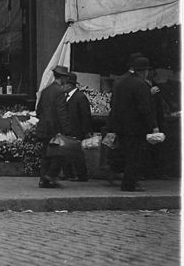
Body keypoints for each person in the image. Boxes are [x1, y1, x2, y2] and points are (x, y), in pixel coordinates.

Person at [105, 56, 161, 192]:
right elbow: (145, 108)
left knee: (126, 154)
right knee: (135, 157)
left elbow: (115, 104)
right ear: (144, 71)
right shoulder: (141, 84)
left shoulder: (120, 82)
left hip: (121, 126)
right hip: (136, 127)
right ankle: (129, 184)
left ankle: (128, 182)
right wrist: (153, 126)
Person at [34, 65, 74, 188]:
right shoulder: (60, 92)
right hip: (55, 128)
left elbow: (38, 110)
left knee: (46, 154)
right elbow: (62, 113)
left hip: (44, 127)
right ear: (62, 78)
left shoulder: (46, 90)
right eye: (65, 78)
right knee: (58, 154)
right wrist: (67, 129)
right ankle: (50, 177)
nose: (66, 80)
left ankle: (43, 179)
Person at [61, 72, 92, 182]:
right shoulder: (66, 97)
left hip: (77, 130)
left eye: (63, 84)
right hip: (68, 130)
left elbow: (85, 115)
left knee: (77, 154)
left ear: (69, 85)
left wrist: (86, 130)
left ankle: (82, 175)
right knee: (67, 152)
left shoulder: (80, 97)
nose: (62, 87)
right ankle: (69, 173)